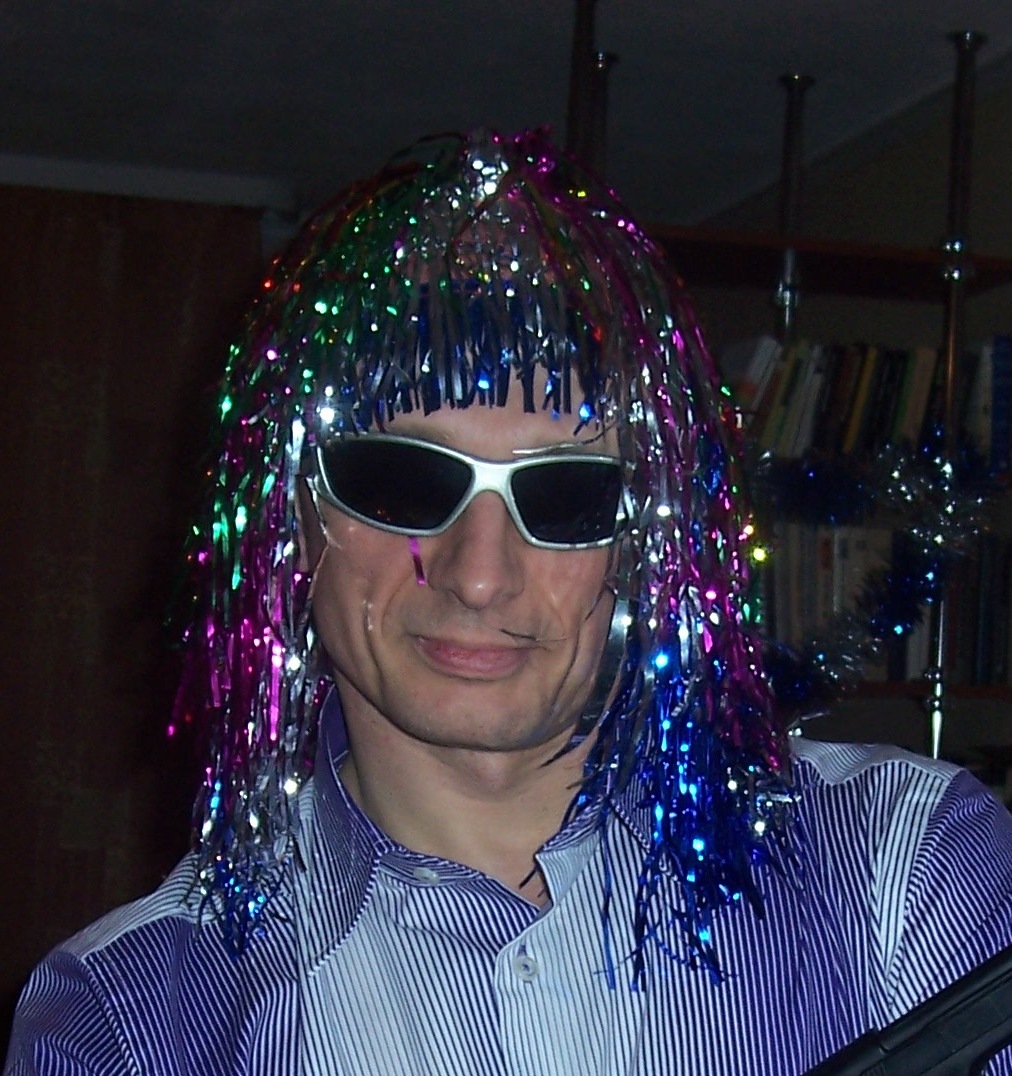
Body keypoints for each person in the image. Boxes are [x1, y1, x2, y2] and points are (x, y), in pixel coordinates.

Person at [6, 128, 1012, 1076]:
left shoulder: (903, 864)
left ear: (643, 542)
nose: (479, 574)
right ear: (294, 515)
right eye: (403, 481)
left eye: (566, 495)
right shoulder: (127, 1020)